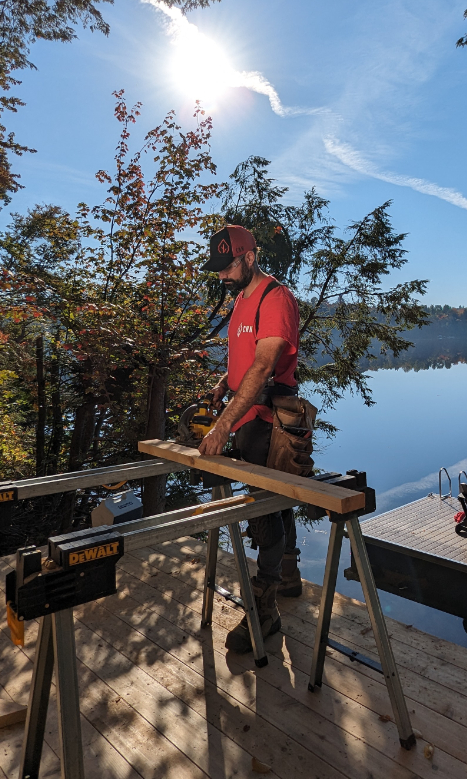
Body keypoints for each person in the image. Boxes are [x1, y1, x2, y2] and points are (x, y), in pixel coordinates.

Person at [198, 224, 303, 653]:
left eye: (227, 266)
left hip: (270, 418)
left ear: (249, 256)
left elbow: (263, 368)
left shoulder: (275, 298)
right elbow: (244, 361)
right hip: (247, 415)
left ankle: (265, 606)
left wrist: (221, 426)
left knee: (263, 509)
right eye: (219, 269)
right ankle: (291, 576)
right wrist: (224, 383)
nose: (222, 276)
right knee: (274, 499)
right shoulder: (242, 299)